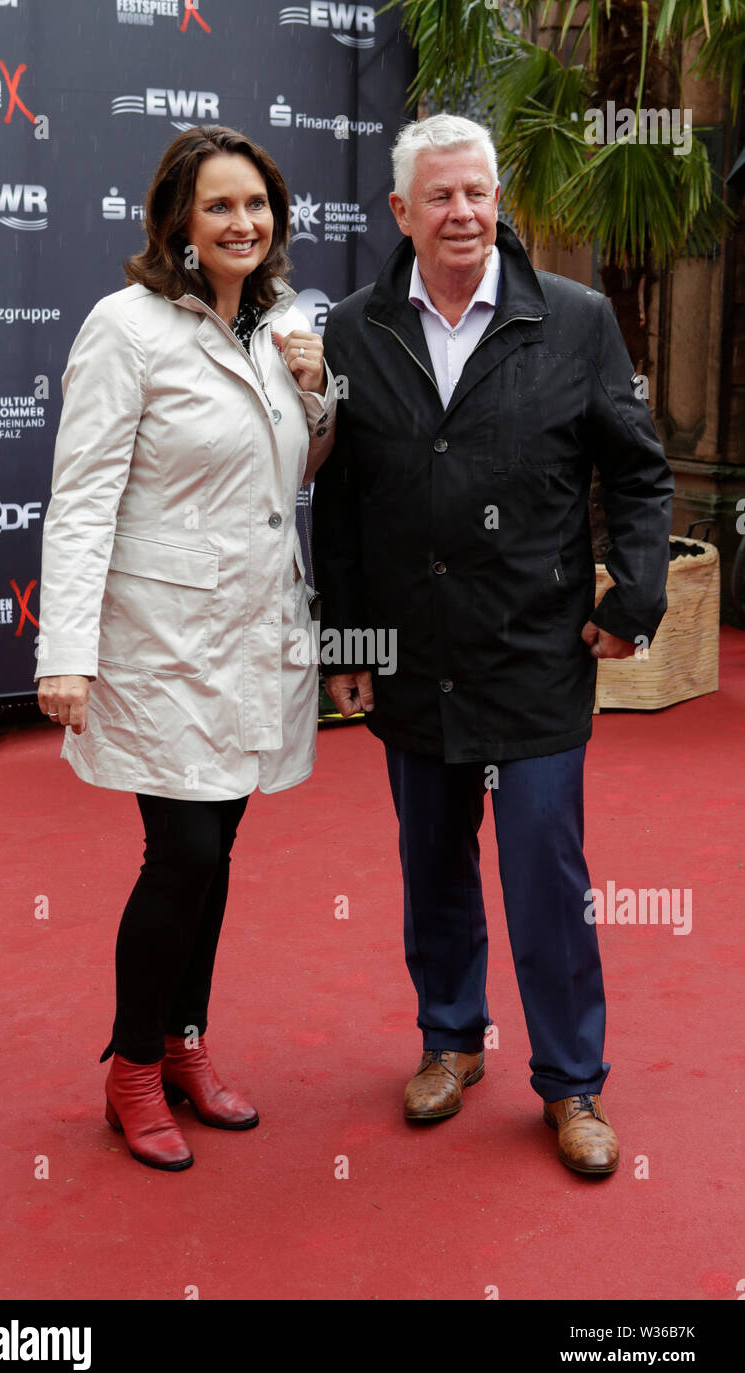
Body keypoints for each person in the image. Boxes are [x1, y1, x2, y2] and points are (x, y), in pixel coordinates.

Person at [312, 113, 673, 1176]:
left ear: (497, 199)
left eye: (477, 192)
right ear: (400, 212)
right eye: (439, 196)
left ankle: (572, 1083)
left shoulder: (575, 319)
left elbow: (640, 473)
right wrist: (349, 638)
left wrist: (634, 597)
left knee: (543, 869)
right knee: (430, 861)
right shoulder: (351, 329)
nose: (462, 212)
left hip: (532, 650)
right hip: (414, 652)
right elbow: (338, 505)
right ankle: (448, 1038)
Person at [34, 125, 336, 1172]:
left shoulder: (278, 324)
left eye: (256, 205)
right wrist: (64, 652)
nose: (241, 223)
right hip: (158, 638)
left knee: (220, 853)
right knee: (185, 854)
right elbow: (80, 503)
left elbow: (288, 476)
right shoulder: (125, 328)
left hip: (254, 634)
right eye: (218, 206)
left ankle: (183, 1042)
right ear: (177, 219)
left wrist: (316, 393)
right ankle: (129, 1068)